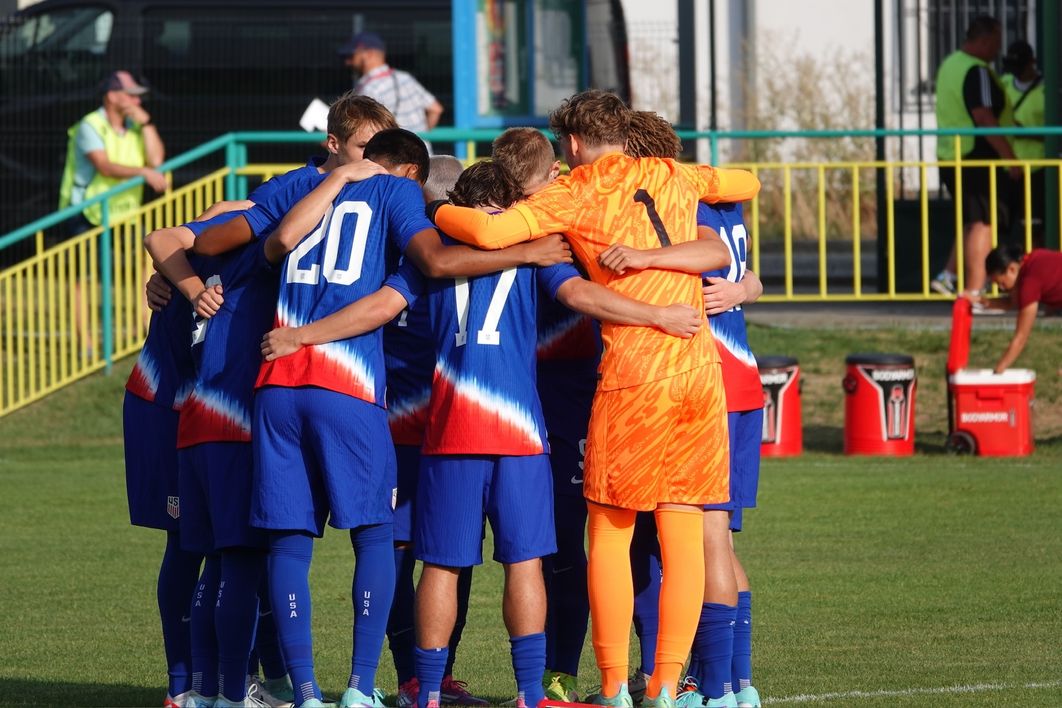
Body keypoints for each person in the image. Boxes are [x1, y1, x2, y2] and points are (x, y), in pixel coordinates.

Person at [428, 89, 760, 708]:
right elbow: (747, 180)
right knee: (684, 529)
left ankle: (612, 685)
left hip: (636, 372)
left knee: (609, 531)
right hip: (699, 372)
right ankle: (665, 684)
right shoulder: (672, 172)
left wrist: (438, 212)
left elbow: (484, 227)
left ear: (574, 144)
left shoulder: (575, 191)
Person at [932, 15, 1018, 298]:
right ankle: (973, 292)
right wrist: (1010, 158)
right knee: (983, 224)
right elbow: (984, 116)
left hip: (951, 154)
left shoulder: (949, 64)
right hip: (976, 154)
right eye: (996, 42)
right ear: (984, 40)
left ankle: (949, 275)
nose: (998, 49)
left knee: (972, 221)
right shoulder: (977, 70)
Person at [59, 70, 168, 233]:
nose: (137, 101)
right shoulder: (90, 125)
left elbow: (156, 161)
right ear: (112, 96)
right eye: (131, 95)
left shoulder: (136, 125)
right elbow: (104, 166)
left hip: (124, 214)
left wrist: (147, 123)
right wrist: (144, 172)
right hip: (87, 213)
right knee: (98, 258)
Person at [978, 244, 1062, 373]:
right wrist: (980, 301)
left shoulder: (1029, 282)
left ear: (1011, 269)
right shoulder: (1032, 260)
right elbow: (1015, 302)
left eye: (1002, 283)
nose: (1002, 289)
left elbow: (1021, 337)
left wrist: (998, 371)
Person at [341, 32, 444, 135]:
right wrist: (420, 137)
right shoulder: (405, 78)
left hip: (392, 150)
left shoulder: (369, 88)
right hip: (421, 149)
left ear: (369, 54)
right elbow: (436, 109)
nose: (347, 62)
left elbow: (362, 132)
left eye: (351, 56)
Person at [1000, 40, 1045, 248]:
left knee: (1033, 228)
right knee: (998, 225)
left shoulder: (1047, 89)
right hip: (1007, 167)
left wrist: (1024, 132)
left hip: (1037, 168)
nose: (1016, 72)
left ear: (1032, 63)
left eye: (1021, 67)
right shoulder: (1005, 83)